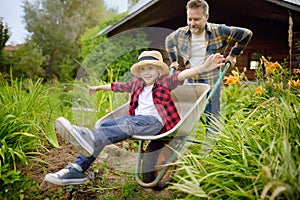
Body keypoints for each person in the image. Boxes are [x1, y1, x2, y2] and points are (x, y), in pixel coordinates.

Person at [44, 50, 225, 185]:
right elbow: (118, 86)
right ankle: (77, 169)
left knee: (125, 126)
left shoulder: (164, 82)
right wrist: (98, 88)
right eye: (143, 69)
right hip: (136, 121)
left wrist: (204, 67)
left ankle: (89, 138)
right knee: (106, 126)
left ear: (159, 71)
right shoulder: (137, 83)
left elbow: (181, 75)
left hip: (155, 123)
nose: (147, 72)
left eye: (151, 69)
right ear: (139, 72)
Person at [165, 0, 253, 135]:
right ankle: (177, 144)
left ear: (206, 17)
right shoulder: (181, 33)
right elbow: (169, 42)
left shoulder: (220, 31)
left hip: (212, 82)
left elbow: (246, 34)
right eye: (189, 19)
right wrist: (174, 61)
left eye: (196, 19)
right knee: (184, 117)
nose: (192, 23)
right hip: (190, 82)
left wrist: (233, 55)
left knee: (212, 119)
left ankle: (211, 149)